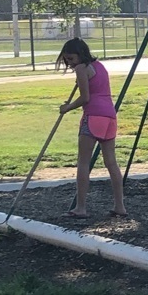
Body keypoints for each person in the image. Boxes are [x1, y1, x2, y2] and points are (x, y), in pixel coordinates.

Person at [55, 37, 128, 219]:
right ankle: (120, 206)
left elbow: (85, 98)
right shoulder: (100, 66)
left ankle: (81, 208)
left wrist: (67, 107)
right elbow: (95, 87)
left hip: (93, 117)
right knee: (111, 162)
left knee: (83, 162)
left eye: (71, 59)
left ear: (81, 55)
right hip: (110, 117)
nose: (69, 64)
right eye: (66, 60)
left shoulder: (81, 69)